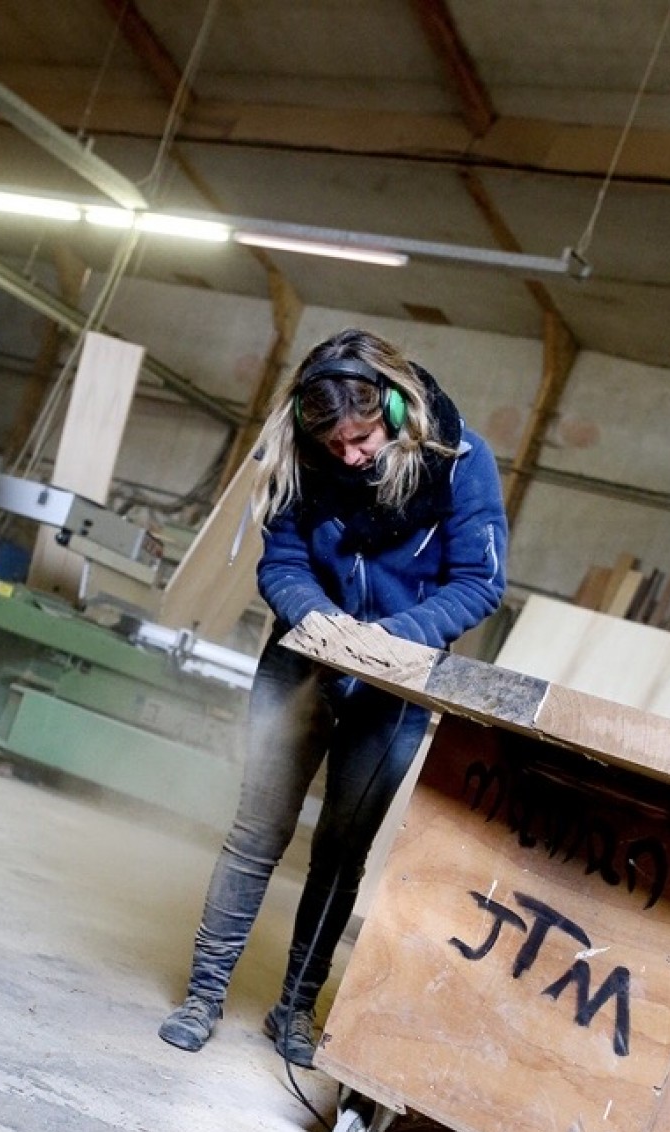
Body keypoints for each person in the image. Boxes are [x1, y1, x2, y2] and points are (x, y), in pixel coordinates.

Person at [159, 327, 508, 1065]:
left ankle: (293, 1009)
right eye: (335, 444)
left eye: (363, 437)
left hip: (397, 682)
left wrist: (393, 640)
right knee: (255, 835)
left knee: (341, 853)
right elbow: (282, 560)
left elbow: (480, 582)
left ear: (393, 404)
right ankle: (203, 994)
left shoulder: (462, 462)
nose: (351, 455)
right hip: (304, 661)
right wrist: (317, 623)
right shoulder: (303, 458)